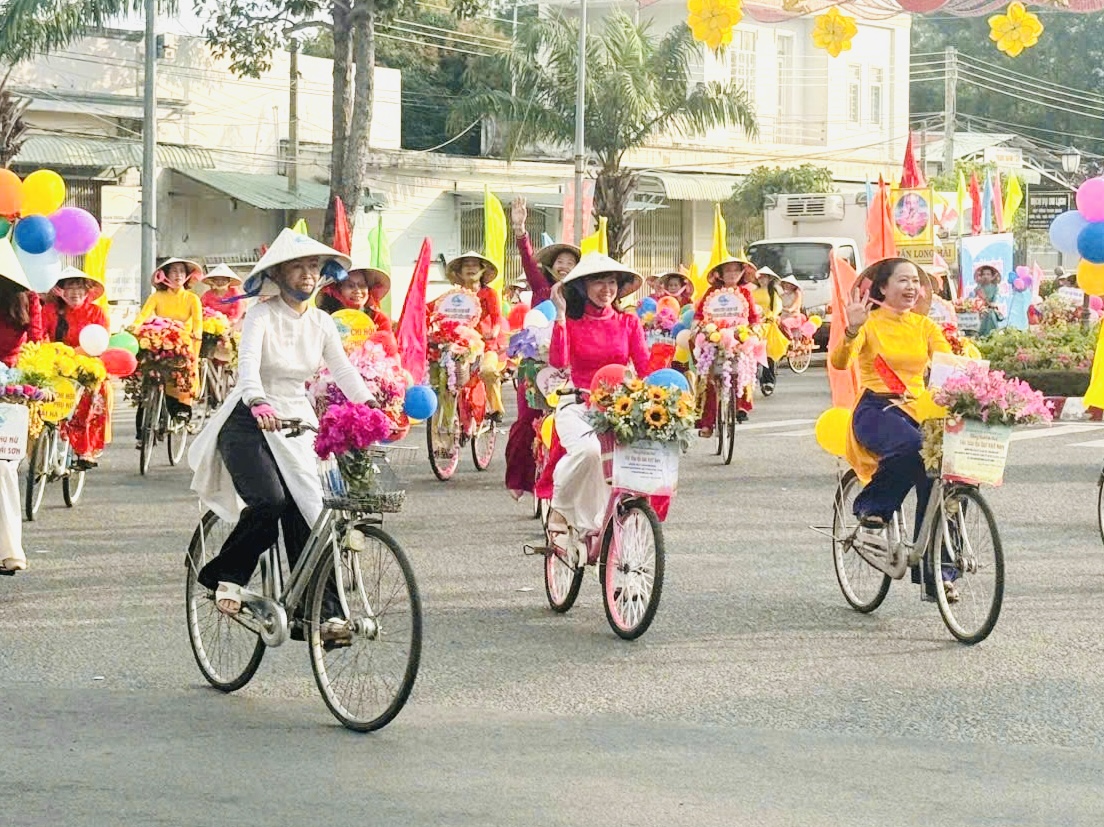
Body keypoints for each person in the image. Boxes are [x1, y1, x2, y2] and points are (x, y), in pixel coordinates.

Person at [189, 229, 372, 639]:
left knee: (311, 509)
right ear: (279, 273)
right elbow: (248, 366)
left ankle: (320, 617)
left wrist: (372, 405)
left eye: (313, 266)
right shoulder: (262, 314)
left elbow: (342, 370)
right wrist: (257, 401)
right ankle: (226, 576)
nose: (307, 274)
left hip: (295, 417)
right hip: (248, 418)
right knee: (270, 501)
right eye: (297, 266)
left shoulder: (323, 322)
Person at [830, 258, 955, 599]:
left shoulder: (924, 327)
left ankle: (937, 574)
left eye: (915, 280)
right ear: (883, 288)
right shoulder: (869, 323)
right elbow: (841, 362)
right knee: (915, 448)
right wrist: (852, 329)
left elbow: (949, 366)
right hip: (876, 407)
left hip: (916, 407)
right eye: (903, 280)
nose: (911, 287)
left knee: (944, 470)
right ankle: (873, 507)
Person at [546, 252, 649, 543]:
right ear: (583, 287)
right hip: (577, 404)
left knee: (630, 467)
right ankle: (561, 509)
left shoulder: (628, 322)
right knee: (590, 452)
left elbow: (645, 367)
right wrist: (560, 315)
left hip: (619, 406)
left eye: (612, 282)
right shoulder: (573, 323)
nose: (607, 289)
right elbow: (558, 360)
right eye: (598, 282)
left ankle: (607, 528)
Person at [504, 198, 579, 501]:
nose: (564, 266)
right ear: (551, 266)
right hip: (535, 367)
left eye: (570, 263)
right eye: (560, 262)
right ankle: (519, 481)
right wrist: (520, 229)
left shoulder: (581, 295)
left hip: (567, 367)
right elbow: (526, 258)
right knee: (525, 422)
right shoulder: (541, 288)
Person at [41, 267, 111, 469]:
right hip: (55, 362)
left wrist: (79, 354)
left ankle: (84, 449)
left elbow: (101, 342)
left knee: (93, 393)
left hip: (86, 363)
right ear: (60, 290)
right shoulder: (50, 310)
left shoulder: (97, 312)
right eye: (69, 286)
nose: (74, 292)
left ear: (87, 290)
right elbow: (42, 334)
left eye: (79, 287)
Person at [0, 240, 41, 572]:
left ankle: (10, 550)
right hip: (11, 387)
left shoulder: (29, 299)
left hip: (9, 390)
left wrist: (38, 384)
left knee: (3, 467)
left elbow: (37, 346)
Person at [132, 257, 204, 428]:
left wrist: (197, 332)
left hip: (183, 341)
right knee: (148, 373)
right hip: (159, 338)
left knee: (183, 372)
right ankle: (143, 427)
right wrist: (134, 326)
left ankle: (182, 410)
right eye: (174, 271)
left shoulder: (192, 298)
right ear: (165, 275)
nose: (178, 275)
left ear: (187, 276)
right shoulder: (157, 296)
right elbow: (143, 316)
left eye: (181, 271)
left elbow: (197, 322)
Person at [694, 256, 761, 436]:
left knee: (743, 367)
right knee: (709, 377)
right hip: (714, 337)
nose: (732, 274)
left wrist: (754, 328)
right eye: (728, 270)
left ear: (742, 273)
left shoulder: (745, 294)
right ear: (721, 275)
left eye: (736, 270)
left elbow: (754, 317)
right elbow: (699, 315)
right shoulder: (711, 293)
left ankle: (741, 405)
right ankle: (707, 423)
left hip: (739, 338)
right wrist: (701, 327)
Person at [440, 251, 506, 423]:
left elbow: (496, 316)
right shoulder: (454, 296)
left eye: (474, 264)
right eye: (466, 265)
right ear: (460, 273)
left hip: (486, 346)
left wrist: (495, 331)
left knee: (488, 371)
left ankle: (496, 408)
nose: (470, 268)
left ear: (482, 270)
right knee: (446, 376)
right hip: (461, 345)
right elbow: (437, 309)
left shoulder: (489, 294)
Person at [316, 261, 392, 332]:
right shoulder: (323, 319)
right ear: (337, 290)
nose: (357, 290)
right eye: (350, 286)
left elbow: (387, 344)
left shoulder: (378, 319)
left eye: (362, 285)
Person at [752, 266, 783, 394]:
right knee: (754, 353)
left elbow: (777, 307)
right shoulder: (753, 292)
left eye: (765, 277)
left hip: (769, 325)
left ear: (770, 279)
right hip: (756, 326)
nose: (762, 280)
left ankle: (768, 380)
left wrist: (771, 317)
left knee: (768, 353)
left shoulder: (773, 293)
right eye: (761, 277)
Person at [972, 264, 1003, 337]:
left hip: (990, 309)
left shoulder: (995, 288)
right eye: (984, 274)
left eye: (988, 274)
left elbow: (995, 300)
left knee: (990, 314)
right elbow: (974, 300)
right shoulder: (978, 288)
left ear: (992, 276)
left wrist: (989, 303)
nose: (986, 276)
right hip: (979, 309)